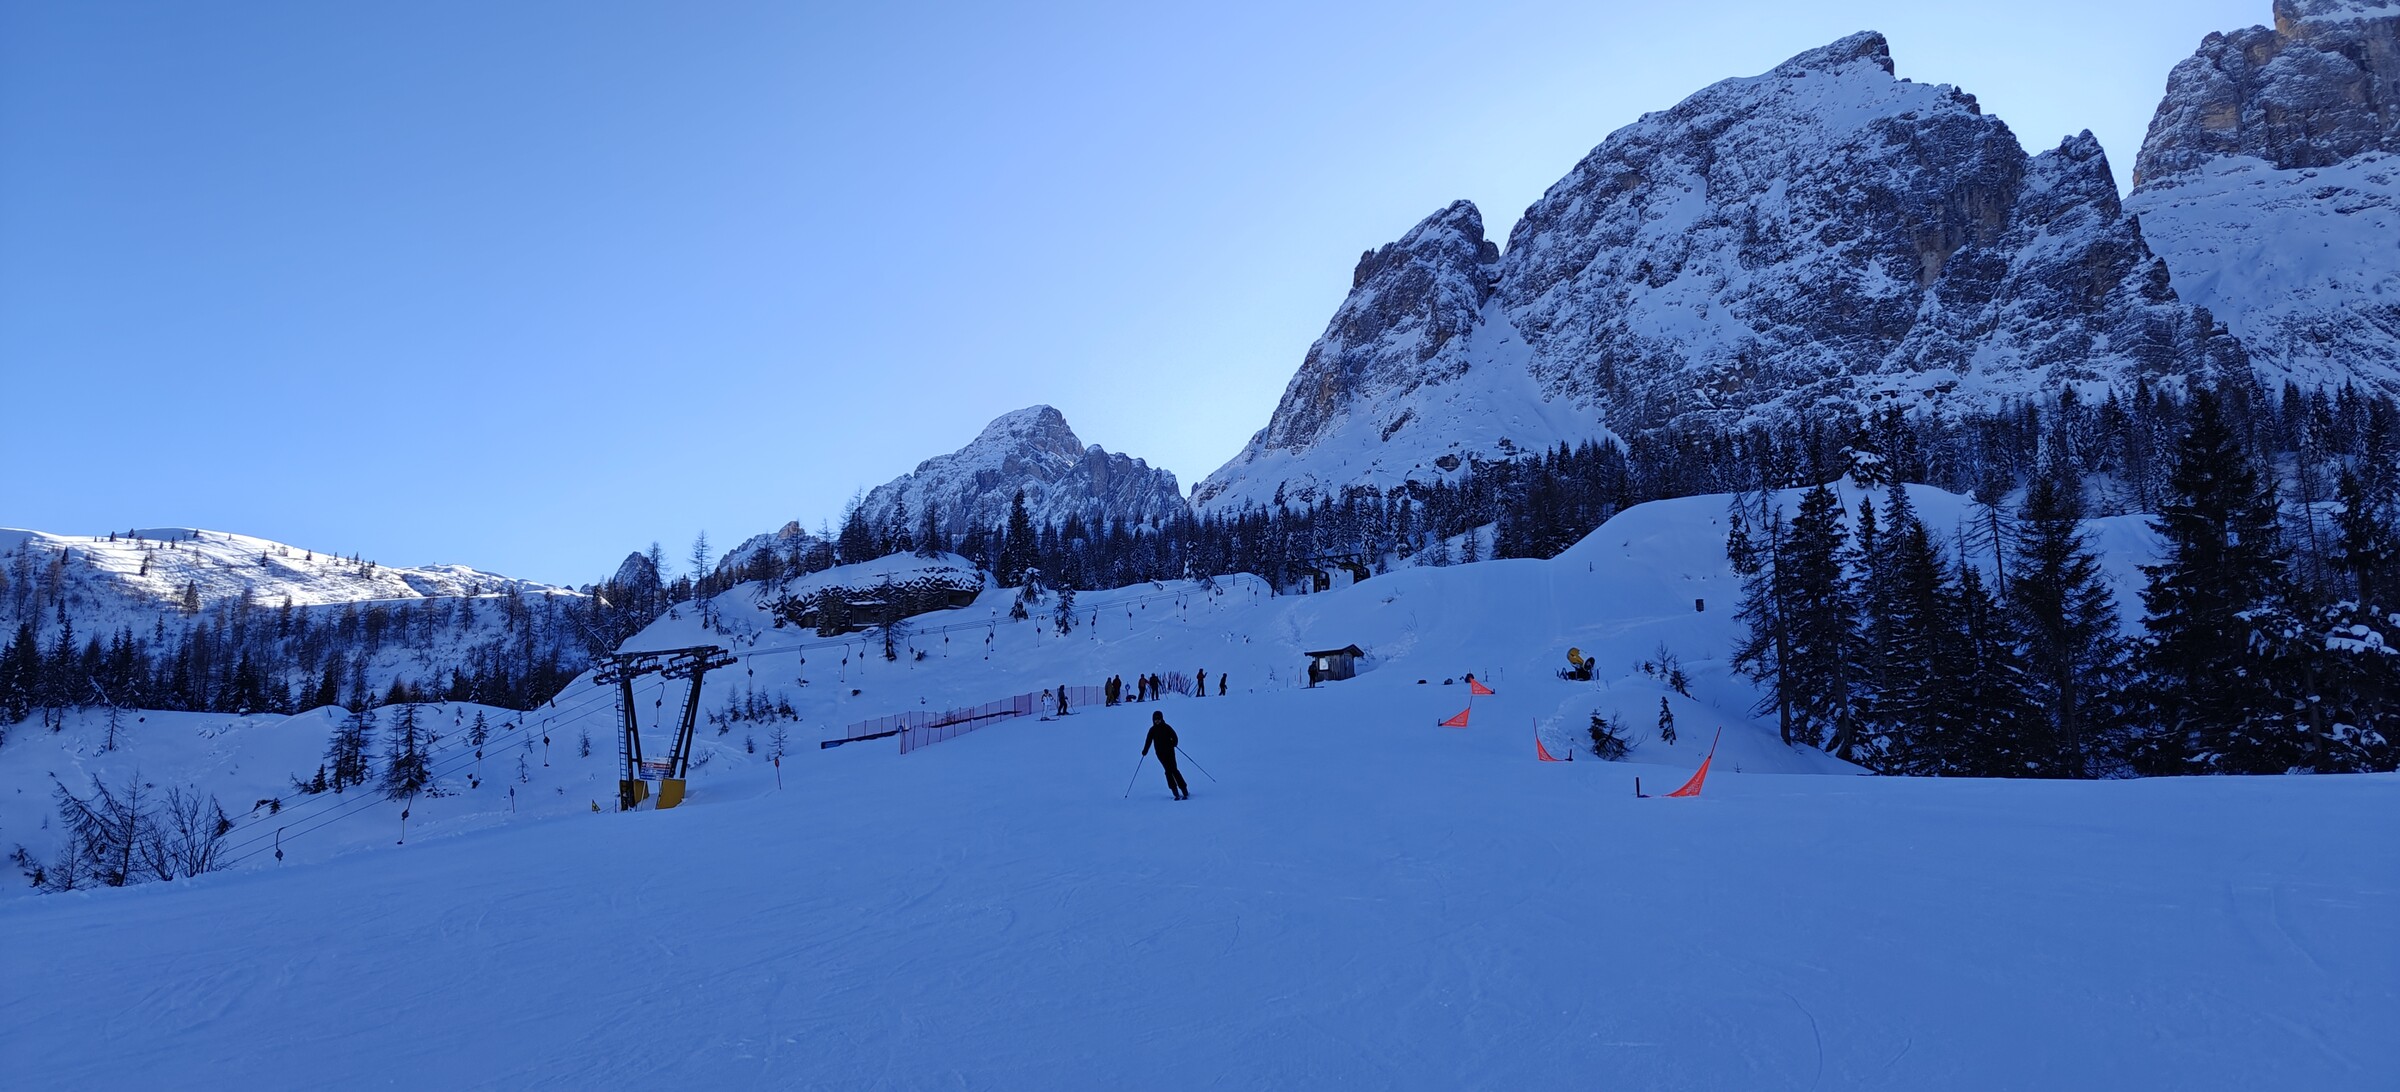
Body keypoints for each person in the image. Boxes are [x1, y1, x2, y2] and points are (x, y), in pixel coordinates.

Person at [1141, 711, 1188, 800]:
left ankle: (1184, 789)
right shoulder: (1152, 730)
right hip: (1160, 754)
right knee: (1168, 771)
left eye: (1159, 719)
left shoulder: (1166, 727)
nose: (1157, 721)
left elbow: (1174, 736)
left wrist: (1174, 743)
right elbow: (1148, 741)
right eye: (1155, 719)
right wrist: (1145, 751)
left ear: (1162, 719)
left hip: (1170, 751)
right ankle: (1175, 791)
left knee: (1174, 769)